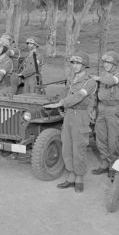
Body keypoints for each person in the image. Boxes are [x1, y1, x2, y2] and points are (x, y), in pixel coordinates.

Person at [44, 52, 98, 193]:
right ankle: (71, 176)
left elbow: (80, 96)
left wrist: (61, 103)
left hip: (81, 116)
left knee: (78, 148)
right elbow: (68, 94)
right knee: (66, 147)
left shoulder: (90, 81)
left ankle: (79, 178)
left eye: (78, 63)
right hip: (69, 115)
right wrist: (61, 105)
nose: (75, 66)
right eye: (73, 63)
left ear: (85, 65)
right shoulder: (72, 79)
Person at [89, 50, 119, 175]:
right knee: (100, 137)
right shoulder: (103, 74)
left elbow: (111, 81)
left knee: (113, 139)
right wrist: (93, 109)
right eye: (104, 62)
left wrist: (98, 78)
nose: (105, 64)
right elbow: (96, 94)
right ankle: (105, 163)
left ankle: (113, 166)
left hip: (114, 109)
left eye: (108, 62)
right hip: (101, 108)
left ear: (115, 64)